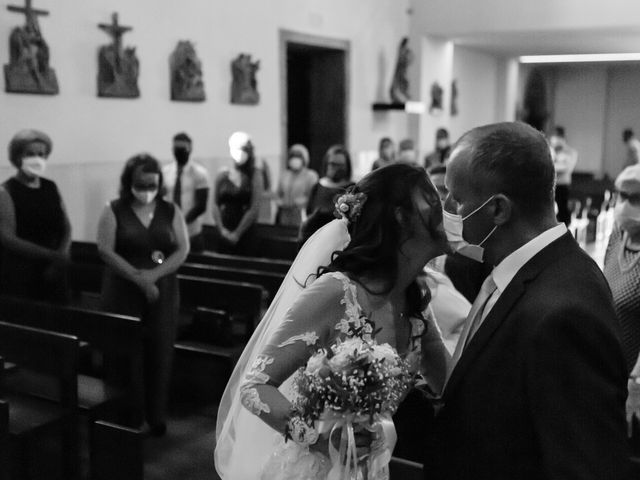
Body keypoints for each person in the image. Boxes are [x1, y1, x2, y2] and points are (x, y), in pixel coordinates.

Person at [215, 163, 450, 479]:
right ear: (401, 216)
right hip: (318, 468)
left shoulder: (414, 301)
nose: (448, 208)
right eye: (435, 200)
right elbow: (255, 387)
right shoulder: (338, 291)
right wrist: (322, 439)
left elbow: (452, 382)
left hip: (368, 466)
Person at [426, 121, 630, 479]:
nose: (447, 208)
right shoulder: (517, 270)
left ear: (498, 210)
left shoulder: (564, 313)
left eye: (456, 198)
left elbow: (584, 466)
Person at [97, 154, 189, 436]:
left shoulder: (170, 210)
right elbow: (105, 249)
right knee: (127, 354)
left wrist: (153, 277)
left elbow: (182, 249)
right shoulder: (113, 209)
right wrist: (138, 278)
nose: (147, 189)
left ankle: (156, 415)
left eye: (152, 183)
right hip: (123, 290)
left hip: (163, 291)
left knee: (160, 351)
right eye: (141, 183)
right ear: (129, 182)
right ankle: (129, 415)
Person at [0, 129, 71, 303]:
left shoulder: (50, 186)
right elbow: (8, 238)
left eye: (41, 154)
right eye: (30, 154)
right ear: (17, 157)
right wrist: (50, 255)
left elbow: (66, 226)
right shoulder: (6, 191)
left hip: (55, 268)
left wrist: (62, 253)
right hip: (22, 270)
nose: (37, 158)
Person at [603, 164, 640, 445]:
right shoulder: (618, 235)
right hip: (610, 373)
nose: (624, 205)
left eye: (636, 198)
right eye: (621, 196)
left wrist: (637, 383)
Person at [212, 132, 264, 255]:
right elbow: (214, 205)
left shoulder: (255, 175)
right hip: (225, 229)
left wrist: (237, 234)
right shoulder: (222, 175)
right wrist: (222, 230)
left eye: (243, 149)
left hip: (245, 233)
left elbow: (254, 208)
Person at [162, 132, 210, 253]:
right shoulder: (165, 172)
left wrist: (181, 223)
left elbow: (201, 206)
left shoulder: (199, 173)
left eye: (182, 148)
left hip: (192, 232)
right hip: (169, 231)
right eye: (176, 148)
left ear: (190, 149)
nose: (179, 151)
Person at [299, 145, 354, 246]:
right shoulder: (318, 186)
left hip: (340, 245)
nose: (336, 168)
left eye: (340, 165)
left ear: (347, 167)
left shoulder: (352, 189)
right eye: (333, 164)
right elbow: (308, 213)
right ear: (326, 164)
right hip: (316, 242)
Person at [275, 144, 318, 227]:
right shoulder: (285, 175)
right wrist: (281, 202)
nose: (295, 159)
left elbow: (313, 198)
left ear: (304, 158)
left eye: (298, 156)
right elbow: (278, 194)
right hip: (285, 215)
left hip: (302, 215)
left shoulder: (311, 175)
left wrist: (298, 202)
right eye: (292, 156)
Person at [549, 126, 578, 226]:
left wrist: (552, 164)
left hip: (562, 185)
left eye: (556, 136)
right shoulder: (550, 151)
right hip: (549, 185)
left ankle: (565, 230)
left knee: (562, 211)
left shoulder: (570, 152)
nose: (554, 139)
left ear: (562, 138)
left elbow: (565, 168)